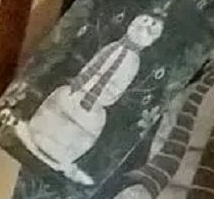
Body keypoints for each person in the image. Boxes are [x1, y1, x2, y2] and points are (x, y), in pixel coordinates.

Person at [14, 12, 164, 184]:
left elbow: (119, 86)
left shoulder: (133, 62)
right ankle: (36, 134)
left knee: (86, 123)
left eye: (150, 30)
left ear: (151, 41)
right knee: (60, 100)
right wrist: (81, 83)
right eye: (143, 22)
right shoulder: (113, 46)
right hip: (79, 89)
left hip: (96, 102)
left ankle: (60, 156)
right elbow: (93, 64)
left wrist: (101, 96)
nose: (143, 29)